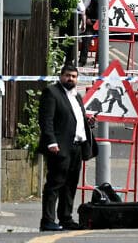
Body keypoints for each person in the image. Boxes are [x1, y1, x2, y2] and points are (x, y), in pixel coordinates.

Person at [37, 65, 94, 232]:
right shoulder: (52, 92)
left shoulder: (77, 97)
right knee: (55, 184)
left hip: (77, 147)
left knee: (70, 184)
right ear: (61, 76)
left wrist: (89, 122)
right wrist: (51, 142)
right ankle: (47, 220)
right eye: (68, 75)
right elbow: (46, 119)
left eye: (74, 76)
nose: (71, 79)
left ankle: (66, 218)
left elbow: (78, 119)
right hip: (60, 147)